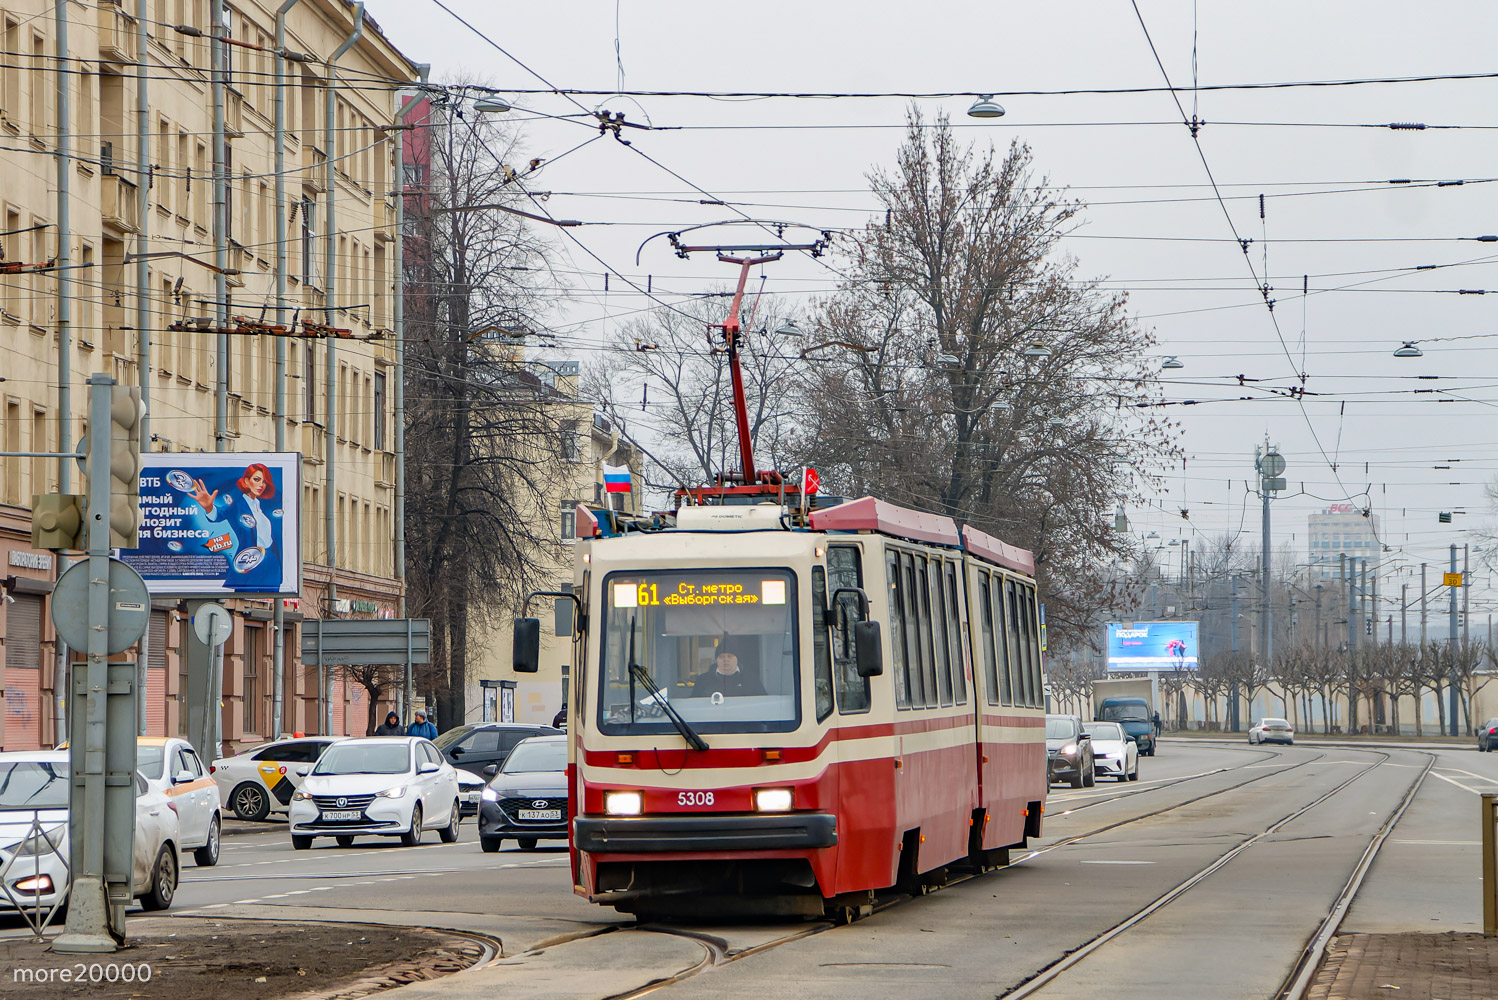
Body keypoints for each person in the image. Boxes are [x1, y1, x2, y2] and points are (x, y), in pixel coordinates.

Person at [696, 651, 766, 698]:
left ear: (737, 659)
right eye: (722, 656)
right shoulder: (703, 680)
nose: (726, 659)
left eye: (730, 656)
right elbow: (694, 704)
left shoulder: (751, 679)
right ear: (716, 660)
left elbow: (762, 703)